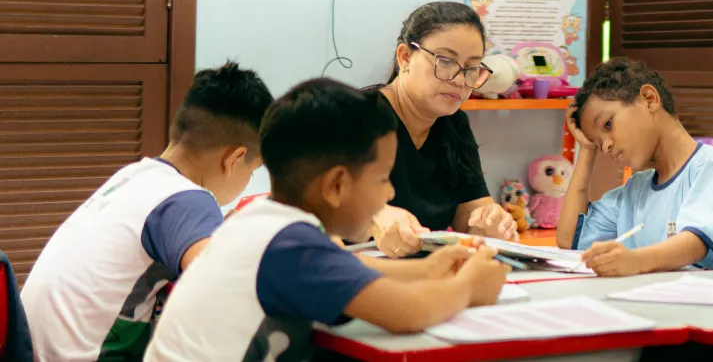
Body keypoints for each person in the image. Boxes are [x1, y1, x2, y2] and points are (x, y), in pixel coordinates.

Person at [144, 78, 508, 362]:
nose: (391, 194)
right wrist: (469, 287)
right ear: (336, 185)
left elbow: (351, 267)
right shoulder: (291, 244)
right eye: (383, 179)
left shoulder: (263, 223)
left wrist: (431, 269)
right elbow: (409, 313)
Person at [22, 62, 273, 362]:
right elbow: (221, 285)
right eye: (253, 170)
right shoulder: (188, 199)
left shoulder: (136, 176)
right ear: (235, 158)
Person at [556, 57, 713, 275]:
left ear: (649, 99)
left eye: (608, 124)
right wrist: (586, 150)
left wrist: (636, 261)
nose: (606, 146)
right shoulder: (635, 190)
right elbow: (568, 239)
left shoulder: (711, 166)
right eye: (598, 143)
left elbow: (695, 244)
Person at [369, 1, 516, 256]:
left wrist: (491, 223)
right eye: (446, 61)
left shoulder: (454, 123)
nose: (460, 80)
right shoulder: (357, 115)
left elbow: (470, 216)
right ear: (405, 57)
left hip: (425, 272)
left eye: (472, 68)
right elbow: (317, 208)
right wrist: (373, 216)